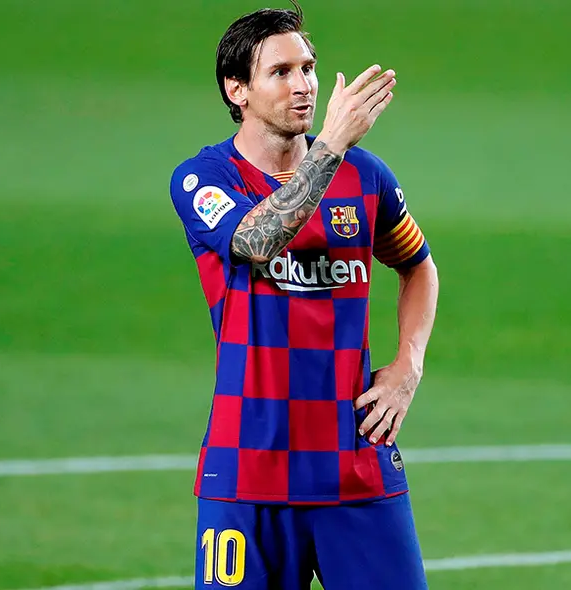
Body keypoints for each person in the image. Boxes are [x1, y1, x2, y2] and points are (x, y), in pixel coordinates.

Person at [168, 3, 439, 588]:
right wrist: (331, 146)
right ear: (236, 89)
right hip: (246, 475)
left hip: (355, 468)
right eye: (282, 72)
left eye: (309, 67)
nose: (305, 85)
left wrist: (408, 365)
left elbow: (419, 266)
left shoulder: (365, 178)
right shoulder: (204, 179)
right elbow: (259, 239)